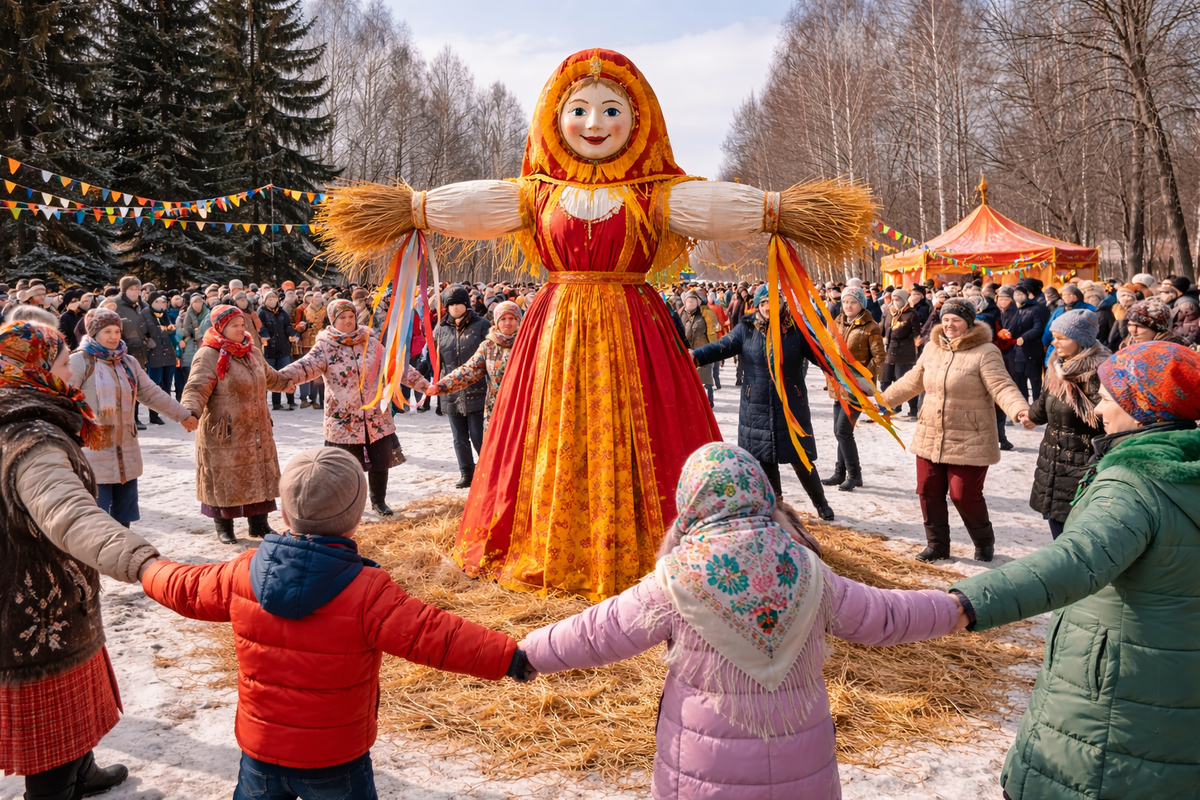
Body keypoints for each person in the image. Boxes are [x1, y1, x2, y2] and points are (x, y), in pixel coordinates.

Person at [520, 443, 968, 800]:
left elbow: (600, 631)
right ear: (761, 492)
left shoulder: (677, 577)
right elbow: (885, 614)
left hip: (703, 768)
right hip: (802, 762)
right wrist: (958, 607)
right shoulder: (808, 569)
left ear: (690, 501)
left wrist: (526, 655)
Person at [141, 447, 535, 800]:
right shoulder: (367, 592)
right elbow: (435, 634)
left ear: (283, 512)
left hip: (259, 755)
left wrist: (146, 567)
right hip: (335, 761)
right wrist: (507, 657)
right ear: (354, 520)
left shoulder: (242, 573)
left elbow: (183, 587)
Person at [949, 341, 1200, 800]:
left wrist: (964, 604)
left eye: (1109, 397)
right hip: (1174, 686)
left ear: (1144, 407)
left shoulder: (1134, 483)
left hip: (1112, 696)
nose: (1100, 408)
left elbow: (1075, 561)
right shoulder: (1188, 469)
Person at [0, 320, 163, 800]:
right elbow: (67, 514)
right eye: (62, 358)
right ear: (37, 369)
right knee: (50, 727)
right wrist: (140, 560)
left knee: (75, 698)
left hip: (54, 592)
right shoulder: (33, 438)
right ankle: (56, 790)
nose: (71, 364)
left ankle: (82, 769)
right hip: (36, 608)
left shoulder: (26, 412)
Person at [882, 298, 1033, 562]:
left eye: (957, 320)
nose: (950, 324)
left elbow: (1002, 385)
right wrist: (883, 402)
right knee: (928, 490)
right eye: (946, 319)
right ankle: (937, 545)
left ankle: (983, 541)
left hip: (970, 435)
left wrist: (1020, 410)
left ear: (969, 322)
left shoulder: (985, 351)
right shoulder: (932, 348)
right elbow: (913, 380)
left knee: (964, 494)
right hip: (931, 432)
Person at [693, 285, 836, 520]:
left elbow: (821, 356)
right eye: (763, 303)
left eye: (774, 302)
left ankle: (820, 503)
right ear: (757, 305)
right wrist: (696, 356)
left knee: (801, 458)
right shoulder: (746, 329)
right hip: (756, 405)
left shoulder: (796, 329)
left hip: (791, 404)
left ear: (782, 303)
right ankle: (776, 508)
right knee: (766, 460)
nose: (769, 307)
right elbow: (721, 347)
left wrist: (847, 375)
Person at [280, 300, 425, 517]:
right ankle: (348, 505)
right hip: (343, 418)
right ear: (333, 320)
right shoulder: (325, 347)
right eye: (342, 318)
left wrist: (420, 382)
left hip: (375, 416)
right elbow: (304, 366)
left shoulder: (371, 343)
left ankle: (379, 501)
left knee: (379, 461)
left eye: (350, 317)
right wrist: (279, 378)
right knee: (345, 468)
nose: (348, 322)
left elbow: (395, 365)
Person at [70, 309, 199, 527]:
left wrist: (184, 415)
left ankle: (122, 558)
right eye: (107, 331)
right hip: (93, 450)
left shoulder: (127, 362)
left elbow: (151, 393)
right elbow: (63, 399)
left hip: (126, 451)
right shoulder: (80, 361)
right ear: (93, 333)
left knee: (124, 517)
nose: (113, 337)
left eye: (117, 331)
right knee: (95, 518)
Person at [180, 305, 294, 544]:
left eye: (243, 325)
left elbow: (269, 376)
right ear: (221, 327)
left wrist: (285, 383)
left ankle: (259, 524)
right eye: (235, 325)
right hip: (225, 430)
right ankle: (224, 526)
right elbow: (196, 387)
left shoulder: (252, 351)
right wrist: (189, 412)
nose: (241, 329)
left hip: (256, 427)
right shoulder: (209, 354)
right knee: (224, 478)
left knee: (258, 473)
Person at [1027, 309, 1109, 539]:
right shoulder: (1057, 367)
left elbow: (1105, 420)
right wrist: (1029, 415)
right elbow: (1044, 405)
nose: (1055, 342)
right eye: (1054, 336)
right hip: (1054, 463)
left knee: (1077, 535)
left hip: (1081, 466)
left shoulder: (1099, 372)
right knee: (1058, 533)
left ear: (1081, 340)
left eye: (1062, 337)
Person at [821, 286, 884, 492]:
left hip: (856, 387)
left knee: (843, 430)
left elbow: (879, 358)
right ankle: (840, 473)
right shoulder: (836, 323)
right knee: (838, 431)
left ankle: (854, 475)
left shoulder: (870, 327)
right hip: (838, 384)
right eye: (846, 302)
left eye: (853, 302)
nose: (848, 306)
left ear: (861, 305)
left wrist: (862, 378)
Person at [429, 300, 521, 431]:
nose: (507, 322)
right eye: (503, 318)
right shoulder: (488, 346)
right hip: (497, 410)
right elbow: (469, 370)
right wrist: (442, 385)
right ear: (496, 321)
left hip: (523, 410)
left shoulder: (528, 344)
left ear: (519, 320)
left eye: (512, 318)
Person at [433, 286, 491, 489]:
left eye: (458, 303)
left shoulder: (482, 325)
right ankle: (466, 472)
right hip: (451, 390)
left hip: (477, 388)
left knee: (478, 435)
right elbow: (431, 356)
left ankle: (487, 470)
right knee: (459, 438)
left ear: (466, 304)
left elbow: (490, 355)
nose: (454, 307)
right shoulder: (440, 328)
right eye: (450, 304)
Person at [1001, 283, 1046, 401]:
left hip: (1031, 349)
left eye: (1021, 293)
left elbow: (1038, 328)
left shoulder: (1035, 309)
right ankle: (1023, 404)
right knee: (1019, 378)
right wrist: (1008, 332)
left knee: (1034, 379)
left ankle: (1036, 406)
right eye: (1016, 294)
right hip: (1018, 351)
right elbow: (1013, 327)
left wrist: (1024, 337)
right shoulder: (1017, 310)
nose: (1018, 296)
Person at [880, 287, 920, 418]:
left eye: (898, 299)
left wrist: (917, 347)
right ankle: (890, 406)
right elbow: (882, 328)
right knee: (885, 380)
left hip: (904, 352)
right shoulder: (888, 312)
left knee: (904, 382)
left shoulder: (911, 314)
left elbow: (916, 335)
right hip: (888, 351)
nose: (895, 302)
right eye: (893, 299)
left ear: (904, 300)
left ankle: (913, 408)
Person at [139, 291, 177, 425]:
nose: (161, 304)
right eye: (157, 302)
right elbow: (143, 331)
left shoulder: (165, 314)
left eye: (162, 302)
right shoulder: (145, 313)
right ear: (150, 303)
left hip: (168, 353)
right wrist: (151, 336)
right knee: (154, 385)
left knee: (167, 385)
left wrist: (171, 328)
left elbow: (171, 331)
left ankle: (164, 410)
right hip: (154, 354)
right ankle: (153, 414)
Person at [258, 289, 300, 411]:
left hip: (283, 347)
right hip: (269, 349)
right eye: (269, 299)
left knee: (286, 373)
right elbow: (261, 327)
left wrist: (293, 334)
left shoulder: (282, 313)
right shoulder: (262, 312)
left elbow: (287, 327)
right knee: (272, 375)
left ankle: (291, 401)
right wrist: (265, 337)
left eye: (274, 299)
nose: (272, 301)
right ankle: (275, 402)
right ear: (265, 301)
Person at [679, 290, 719, 407]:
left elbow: (712, 333)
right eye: (688, 301)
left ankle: (709, 402)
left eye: (692, 301)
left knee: (706, 379)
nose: (690, 304)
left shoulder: (705, 314)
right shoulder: (682, 314)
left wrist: (714, 350)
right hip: (687, 352)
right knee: (690, 379)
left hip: (703, 350)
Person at [1119, 298, 1186, 349]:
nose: (1132, 330)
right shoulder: (1127, 348)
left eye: (1139, 326)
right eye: (1129, 325)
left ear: (1158, 329)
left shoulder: (1177, 351)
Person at [176, 293, 208, 401]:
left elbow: (208, 331)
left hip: (203, 350)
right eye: (195, 302)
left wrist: (198, 332)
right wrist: (183, 339)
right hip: (188, 351)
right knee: (188, 379)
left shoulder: (208, 315)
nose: (197, 304)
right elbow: (178, 332)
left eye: (199, 301)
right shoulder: (183, 315)